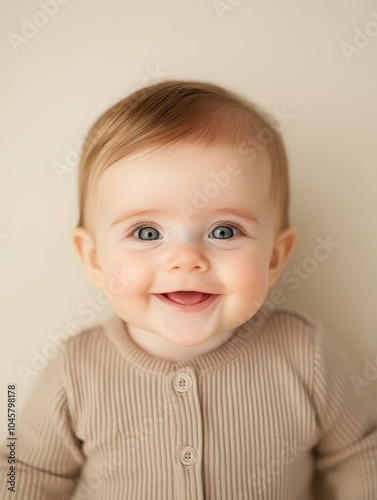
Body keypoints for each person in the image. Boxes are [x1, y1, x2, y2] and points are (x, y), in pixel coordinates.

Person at [1, 80, 376, 499]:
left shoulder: (307, 355)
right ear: (94, 260)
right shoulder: (74, 370)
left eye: (223, 230)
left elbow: (361, 455)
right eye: (146, 232)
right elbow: (25, 469)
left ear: (274, 257)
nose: (186, 259)